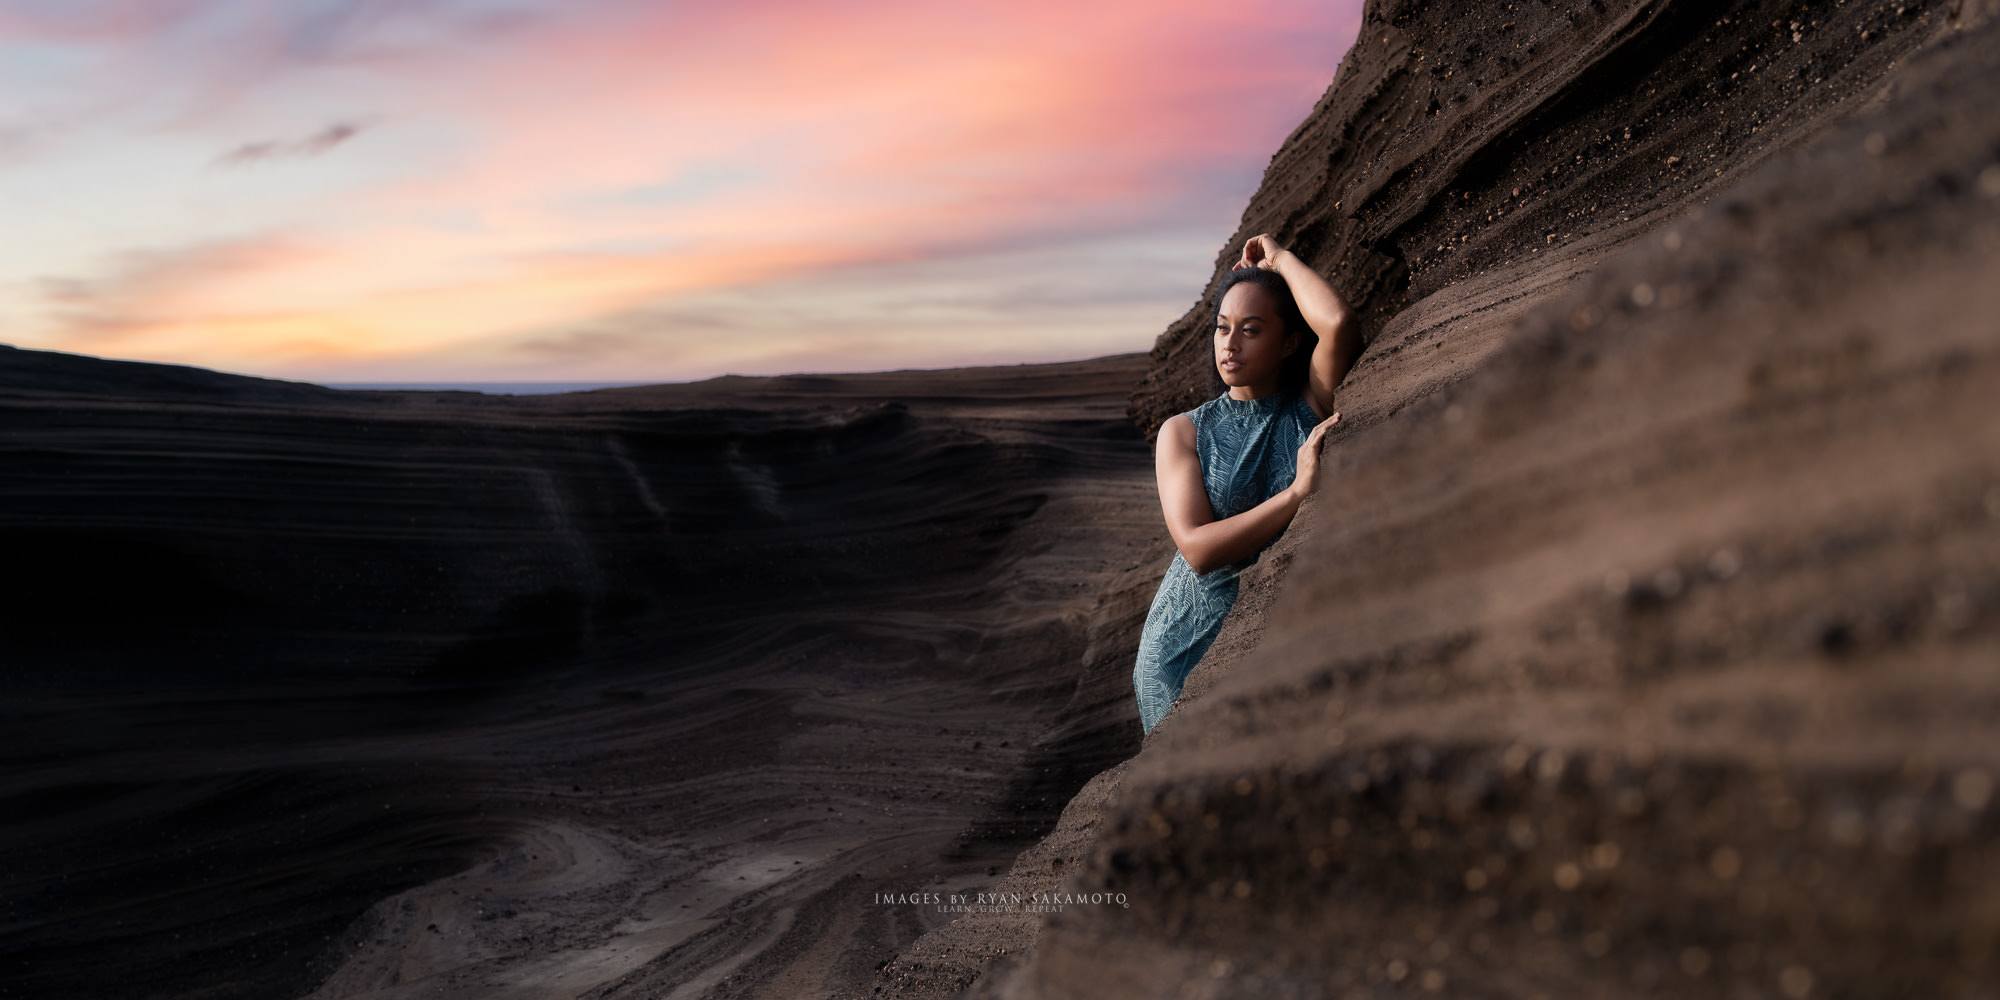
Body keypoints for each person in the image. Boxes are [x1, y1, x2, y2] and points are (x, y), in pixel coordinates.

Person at [1131, 232, 1360, 735]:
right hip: (1181, 650)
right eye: (1222, 329)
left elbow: (1339, 324)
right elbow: (1196, 548)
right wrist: (1297, 494)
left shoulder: (1310, 404)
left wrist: (1277, 259)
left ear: (1289, 342)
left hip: (1269, 634)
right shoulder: (1183, 431)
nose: (1230, 345)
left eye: (1251, 330)